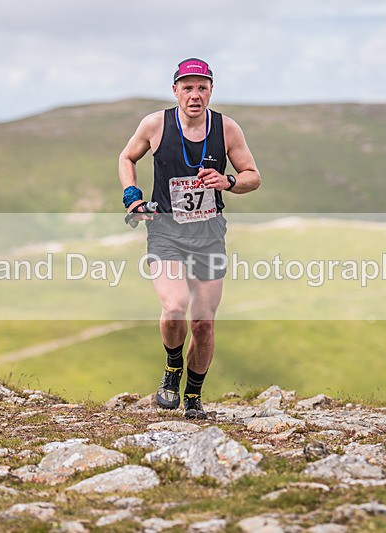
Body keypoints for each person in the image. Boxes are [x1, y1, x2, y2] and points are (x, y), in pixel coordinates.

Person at [118, 58, 261, 419]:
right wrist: (132, 196)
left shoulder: (227, 129)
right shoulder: (154, 124)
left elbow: (252, 176)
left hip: (209, 233)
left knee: (203, 322)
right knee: (174, 306)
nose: (195, 95)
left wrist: (228, 181)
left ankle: (194, 396)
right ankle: (171, 369)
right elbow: (126, 157)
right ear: (175, 90)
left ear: (211, 89)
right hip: (166, 230)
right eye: (187, 87)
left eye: (202, 87)